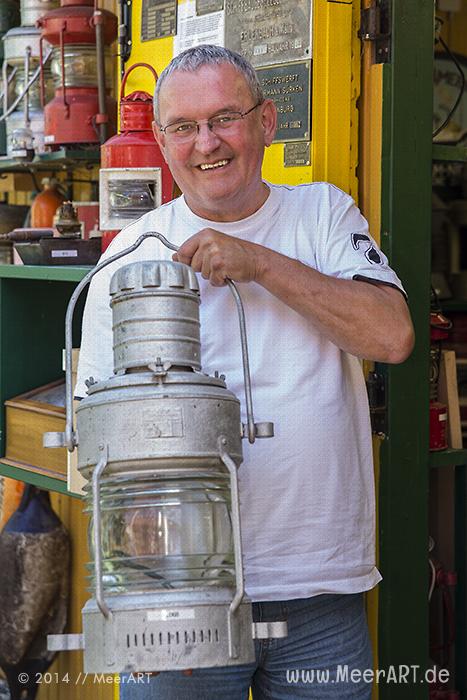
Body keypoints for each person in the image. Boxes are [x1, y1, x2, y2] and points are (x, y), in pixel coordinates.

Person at [76, 45, 414, 699]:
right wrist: (130, 583)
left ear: (266, 122)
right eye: (184, 126)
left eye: (225, 117)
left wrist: (258, 263)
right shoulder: (129, 253)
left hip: (317, 591)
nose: (207, 143)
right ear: (162, 141)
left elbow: (392, 335)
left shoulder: (321, 214)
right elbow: (97, 434)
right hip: (177, 596)